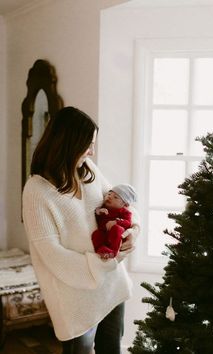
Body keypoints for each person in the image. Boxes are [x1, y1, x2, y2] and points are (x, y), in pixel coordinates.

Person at [22, 106, 139, 354]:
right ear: (68, 143)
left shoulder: (89, 170)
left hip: (111, 287)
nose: (92, 151)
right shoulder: (37, 190)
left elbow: (123, 204)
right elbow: (51, 254)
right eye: (88, 144)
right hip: (76, 299)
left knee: (112, 349)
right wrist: (106, 263)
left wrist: (134, 231)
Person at [92, 184, 137, 259]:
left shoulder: (125, 212)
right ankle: (101, 249)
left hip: (116, 237)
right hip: (104, 232)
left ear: (125, 204)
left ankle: (113, 252)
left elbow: (128, 223)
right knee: (96, 234)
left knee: (117, 229)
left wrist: (116, 222)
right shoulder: (103, 208)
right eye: (109, 194)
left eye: (115, 197)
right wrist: (99, 211)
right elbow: (95, 212)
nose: (109, 197)